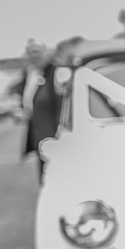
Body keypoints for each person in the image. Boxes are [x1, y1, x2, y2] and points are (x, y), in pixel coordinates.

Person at [22, 36, 82, 180]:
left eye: (37, 51)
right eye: (30, 52)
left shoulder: (58, 73)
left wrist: (61, 140)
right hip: (42, 143)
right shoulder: (34, 75)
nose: (34, 56)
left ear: (47, 52)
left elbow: (64, 110)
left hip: (55, 143)